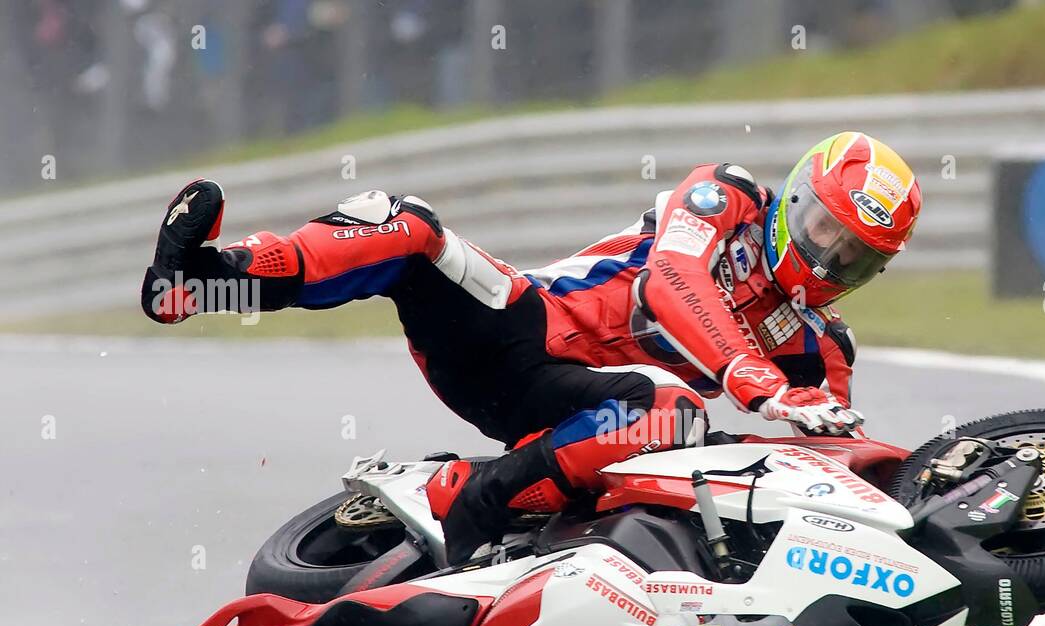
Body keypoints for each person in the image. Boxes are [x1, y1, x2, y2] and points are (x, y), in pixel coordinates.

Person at [141, 131, 922, 562]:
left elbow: (824, 472)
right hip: (518, 326)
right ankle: (208, 278)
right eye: (825, 232)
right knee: (408, 225)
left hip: (592, 419)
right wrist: (756, 381)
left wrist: (900, 482)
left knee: (680, 416)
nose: (828, 263)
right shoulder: (726, 196)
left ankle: (485, 503)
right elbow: (670, 282)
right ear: (797, 198)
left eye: (855, 259)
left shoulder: (822, 353)